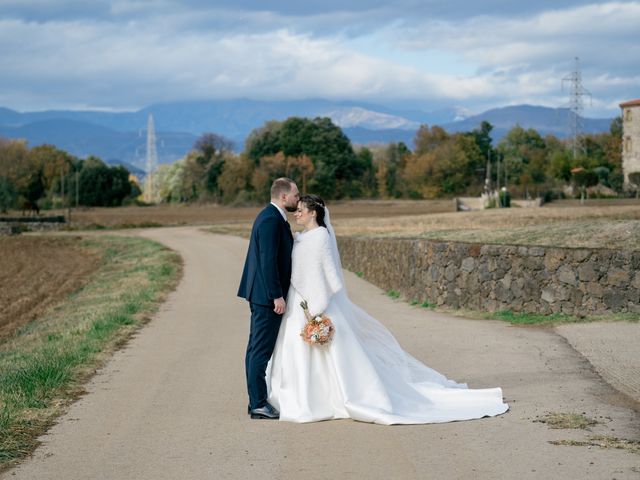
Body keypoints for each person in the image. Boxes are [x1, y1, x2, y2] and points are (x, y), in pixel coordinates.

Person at [267, 194, 509, 424]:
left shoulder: (321, 236)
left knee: (335, 354)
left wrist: (318, 306)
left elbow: (332, 277)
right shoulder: (301, 237)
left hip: (317, 304)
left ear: (313, 213)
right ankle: (303, 397)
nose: (296, 214)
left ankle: (330, 399)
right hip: (299, 301)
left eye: (301, 211)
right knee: (295, 350)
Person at [238, 177, 299, 419]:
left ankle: (256, 400)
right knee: (259, 351)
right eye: (295, 194)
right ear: (283, 197)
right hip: (266, 297)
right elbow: (267, 262)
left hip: (263, 295)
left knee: (258, 349)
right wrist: (277, 296)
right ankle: (258, 404)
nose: (297, 198)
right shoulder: (270, 220)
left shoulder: (274, 218)